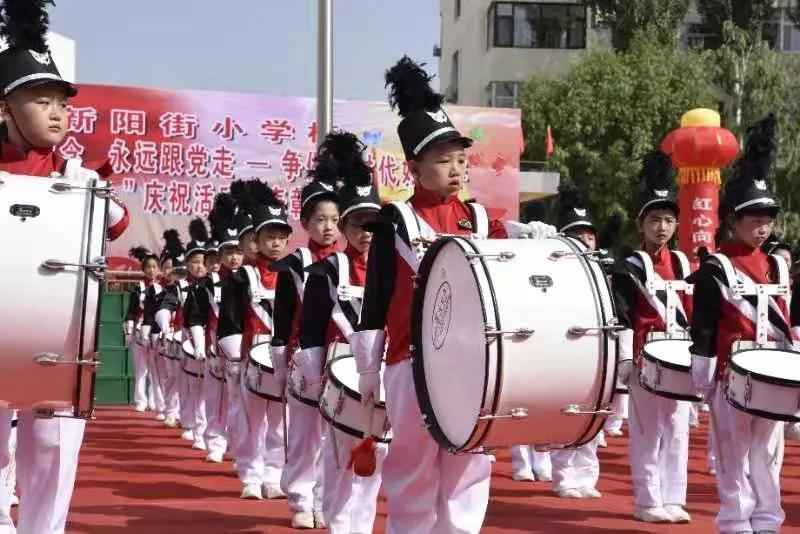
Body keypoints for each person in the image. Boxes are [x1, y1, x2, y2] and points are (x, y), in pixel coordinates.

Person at [350, 57, 508, 534]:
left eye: (461, 158)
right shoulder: (394, 221)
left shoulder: (482, 221)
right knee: (413, 464)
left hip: (471, 362)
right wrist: (367, 371)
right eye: (443, 160)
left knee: (468, 462)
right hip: (408, 360)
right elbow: (376, 298)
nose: (457, 169)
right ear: (414, 168)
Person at [0, 2, 129, 531]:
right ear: (4, 109)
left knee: (53, 452)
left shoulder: (81, 178)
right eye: (42, 101)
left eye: (63, 104)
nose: (58, 113)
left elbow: (117, 223)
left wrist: (94, 191)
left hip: (62, 339)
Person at [689, 114, 790, 534]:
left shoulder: (777, 267)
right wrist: (703, 371)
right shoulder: (718, 267)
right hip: (732, 376)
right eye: (754, 219)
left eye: (768, 218)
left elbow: (787, 323)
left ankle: (767, 517)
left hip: (773, 375)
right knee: (732, 452)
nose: (763, 227)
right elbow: (705, 323)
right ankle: (734, 519)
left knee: (767, 453)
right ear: (733, 220)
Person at [297, 132, 386, 534]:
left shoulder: (396, 271)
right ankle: (338, 525)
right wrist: (314, 380)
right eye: (357, 223)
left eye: (373, 224)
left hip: (381, 372)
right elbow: (312, 329)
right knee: (338, 458)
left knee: (376, 457)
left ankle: (361, 527)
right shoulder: (327, 270)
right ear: (345, 225)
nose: (366, 232)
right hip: (340, 370)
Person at [612, 151, 693, 523]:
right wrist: (626, 360)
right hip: (647, 358)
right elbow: (623, 314)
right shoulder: (630, 265)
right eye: (655, 220)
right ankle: (648, 501)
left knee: (677, 429)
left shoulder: (682, 264)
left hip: (679, 356)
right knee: (647, 430)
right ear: (640, 223)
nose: (662, 228)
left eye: (668, 220)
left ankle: (674, 498)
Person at [270, 134, 343, 529]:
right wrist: (282, 362)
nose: (329, 227)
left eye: (334, 220)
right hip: (304, 358)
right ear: (305, 223)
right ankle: (300, 499)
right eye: (320, 220)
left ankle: (326, 501)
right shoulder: (293, 263)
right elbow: (282, 320)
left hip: (342, 361)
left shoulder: (350, 262)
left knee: (335, 437)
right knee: (302, 434)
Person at [232, 181, 291, 501]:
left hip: (283, 357)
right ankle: (251, 475)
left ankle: (274, 474)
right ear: (256, 240)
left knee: (280, 422)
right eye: (270, 237)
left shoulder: (294, 272)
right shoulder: (244, 276)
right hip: (251, 357)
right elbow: (232, 318)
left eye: (282, 237)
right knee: (251, 421)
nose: (277, 243)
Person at [545, 184, 603, 499]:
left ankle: (587, 475)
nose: (585, 242)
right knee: (565, 415)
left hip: (596, 356)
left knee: (593, 416)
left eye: (589, 236)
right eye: (576, 236)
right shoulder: (553, 274)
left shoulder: (604, 273)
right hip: (564, 354)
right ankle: (564, 475)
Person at [124, 247, 161, 412]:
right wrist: (129, 333)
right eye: (148, 267)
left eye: (154, 266)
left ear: (158, 269)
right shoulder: (138, 287)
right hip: (140, 330)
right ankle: (140, 400)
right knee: (141, 368)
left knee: (156, 369)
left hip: (157, 332)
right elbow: (130, 311)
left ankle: (155, 401)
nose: (151, 270)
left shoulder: (164, 288)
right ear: (143, 269)